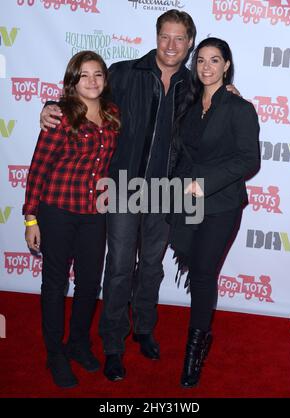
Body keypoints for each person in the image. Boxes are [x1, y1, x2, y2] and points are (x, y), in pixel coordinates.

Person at [40, 11, 239, 382]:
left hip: (166, 192)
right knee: (117, 268)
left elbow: (216, 112)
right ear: (156, 35)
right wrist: (50, 107)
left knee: (151, 266)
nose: (171, 45)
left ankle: (144, 329)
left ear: (190, 43)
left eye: (180, 39)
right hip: (121, 188)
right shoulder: (125, 71)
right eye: (165, 36)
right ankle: (113, 344)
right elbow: (85, 96)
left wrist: (228, 92)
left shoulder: (195, 83)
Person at [23, 51, 120, 388]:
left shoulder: (112, 114)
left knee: (90, 283)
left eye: (98, 75)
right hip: (57, 210)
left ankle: (78, 343)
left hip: (94, 213)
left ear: (105, 80)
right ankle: (55, 354)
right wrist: (30, 218)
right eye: (84, 75)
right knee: (54, 285)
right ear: (72, 81)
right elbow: (39, 168)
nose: (92, 81)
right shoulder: (60, 116)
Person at [169, 37, 260, 388]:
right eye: (201, 60)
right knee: (193, 263)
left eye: (215, 60)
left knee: (204, 272)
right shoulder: (187, 102)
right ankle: (201, 335)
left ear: (226, 65)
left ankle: (195, 349)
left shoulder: (240, 108)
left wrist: (204, 183)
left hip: (220, 202)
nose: (207, 67)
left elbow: (248, 160)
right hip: (183, 200)